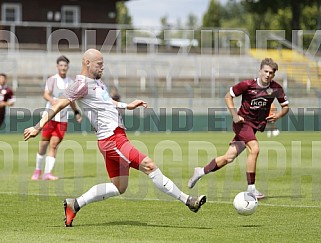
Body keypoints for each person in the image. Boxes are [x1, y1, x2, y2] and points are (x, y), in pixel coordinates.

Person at [24, 49, 206, 227]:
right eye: (99, 64)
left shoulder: (98, 83)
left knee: (119, 186)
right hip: (112, 139)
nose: (103, 68)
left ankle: (75, 204)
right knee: (149, 165)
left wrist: (128, 105)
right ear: (87, 63)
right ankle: (188, 200)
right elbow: (58, 105)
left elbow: (108, 102)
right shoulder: (80, 84)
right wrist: (37, 126)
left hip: (114, 138)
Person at [188, 58, 289, 199]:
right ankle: (251, 189)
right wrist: (234, 115)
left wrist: (277, 116)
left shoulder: (276, 89)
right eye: (265, 71)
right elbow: (228, 96)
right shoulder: (247, 85)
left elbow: (285, 107)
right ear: (260, 71)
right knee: (255, 149)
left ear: (274, 75)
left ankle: (200, 171)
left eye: (271, 73)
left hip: (253, 127)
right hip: (242, 123)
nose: (267, 75)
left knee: (229, 158)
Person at [31, 56, 82, 181]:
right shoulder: (52, 80)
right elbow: (46, 94)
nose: (63, 68)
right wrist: (53, 101)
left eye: (65, 66)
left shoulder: (71, 82)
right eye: (61, 65)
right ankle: (38, 170)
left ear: (68, 67)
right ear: (57, 66)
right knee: (44, 144)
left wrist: (76, 111)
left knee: (54, 145)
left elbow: (71, 100)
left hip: (63, 118)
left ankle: (47, 173)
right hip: (50, 116)